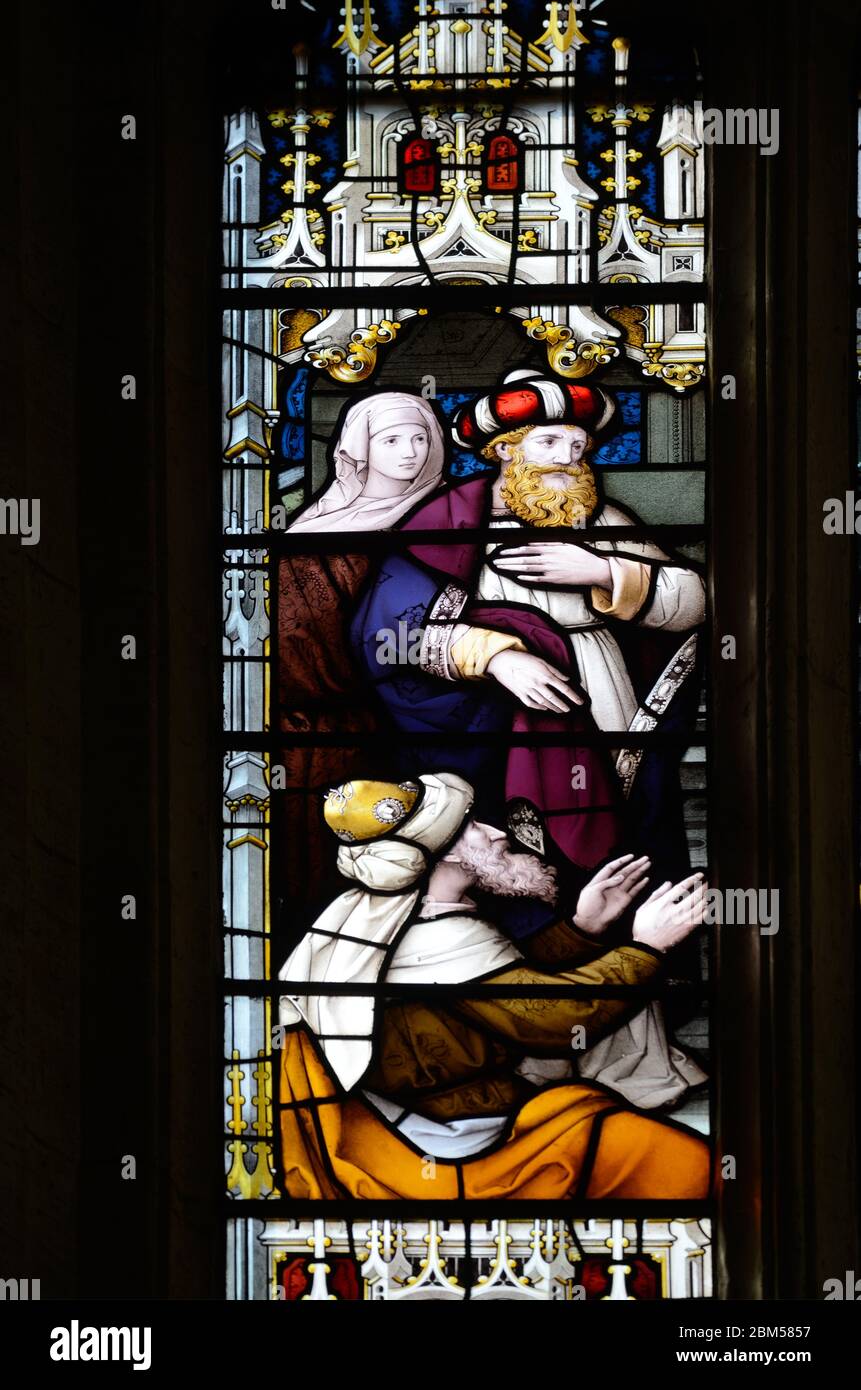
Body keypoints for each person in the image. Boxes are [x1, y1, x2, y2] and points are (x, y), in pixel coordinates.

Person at [277, 773, 710, 1201]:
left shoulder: (400, 919)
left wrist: (583, 929)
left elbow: (502, 985)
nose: (497, 832)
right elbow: (555, 1020)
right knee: (685, 1167)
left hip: (469, 1118)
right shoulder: (434, 936)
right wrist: (649, 947)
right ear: (442, 855)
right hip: (457, 1147)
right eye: (473, 827)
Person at [350, 368, 705, 883]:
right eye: (549, 442)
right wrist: (497, 656)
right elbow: (386, 634)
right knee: (514, 823)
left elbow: (695, 603)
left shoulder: (605, 521)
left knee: (619, 809)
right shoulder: (448, 520)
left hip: (602, 681)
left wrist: (604, 572)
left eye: (578, 445)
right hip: (494, 702)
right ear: (506, 449)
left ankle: (615, 925)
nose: (568, 457)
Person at [276, 391, 446, 904]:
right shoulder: (315, 531)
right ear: (358, 449)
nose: (410, 451)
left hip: (426, 720)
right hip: (326, 726)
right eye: (391, 439)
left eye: (421, 438)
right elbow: (291, 637)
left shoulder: (449, 520)